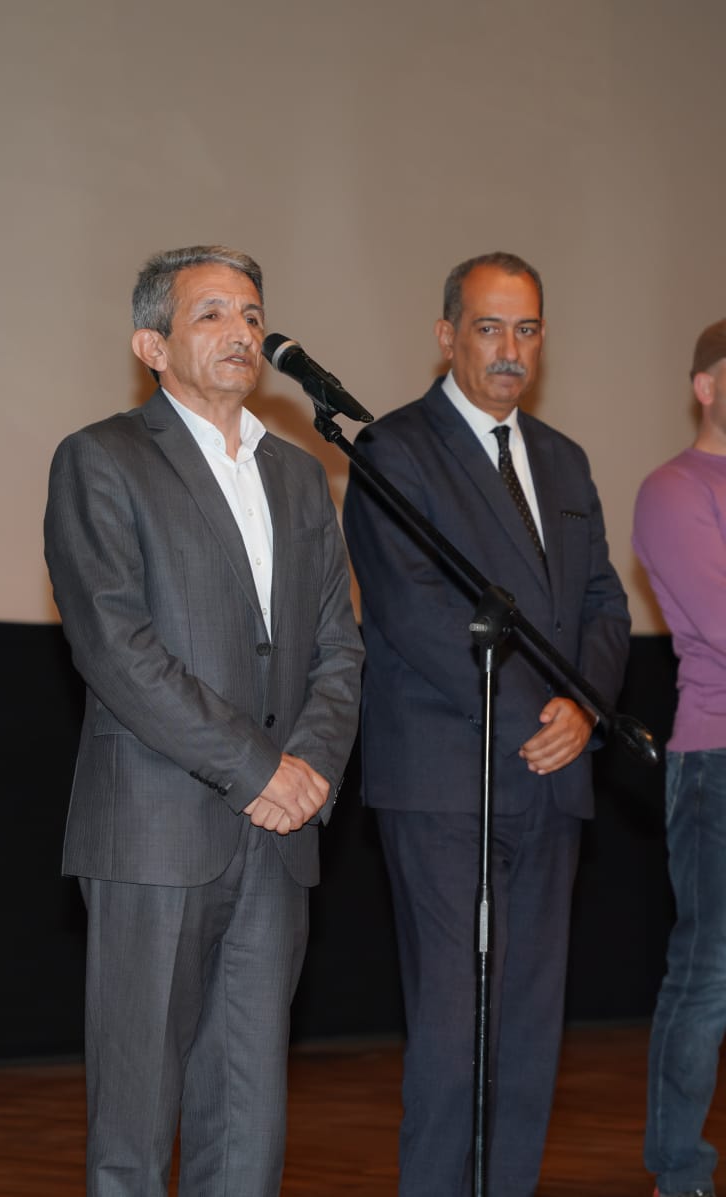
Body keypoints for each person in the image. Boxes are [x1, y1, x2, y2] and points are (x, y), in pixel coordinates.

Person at [43, 245, 363, 1197]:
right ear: (152, 345)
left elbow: (338, 649)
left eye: (253, 315)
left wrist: (308, 771)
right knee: (135, 1128)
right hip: (154, 832)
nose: (242, 332)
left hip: (280, 839)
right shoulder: (102, 458)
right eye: (213, 313)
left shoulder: (300, 475)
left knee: (248, 1121)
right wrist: (262, 768)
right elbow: (117, 649)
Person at [342, 251, 630, 1196]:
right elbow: (414, 613)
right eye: (490, 327)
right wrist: (534, 716)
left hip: (555, 777)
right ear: (446, 335)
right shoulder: (394, 451)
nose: (511, 349)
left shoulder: (564, 458)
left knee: (530, 1031)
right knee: (452, 1030)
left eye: (528, 329)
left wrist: (582, 708)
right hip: (446, 779)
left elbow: (603, 604)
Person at [633, 318, 726, 1197]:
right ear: (706, 385)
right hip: (718, 761)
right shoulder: (674, 488)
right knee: (710, 973)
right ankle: (681, 1171)